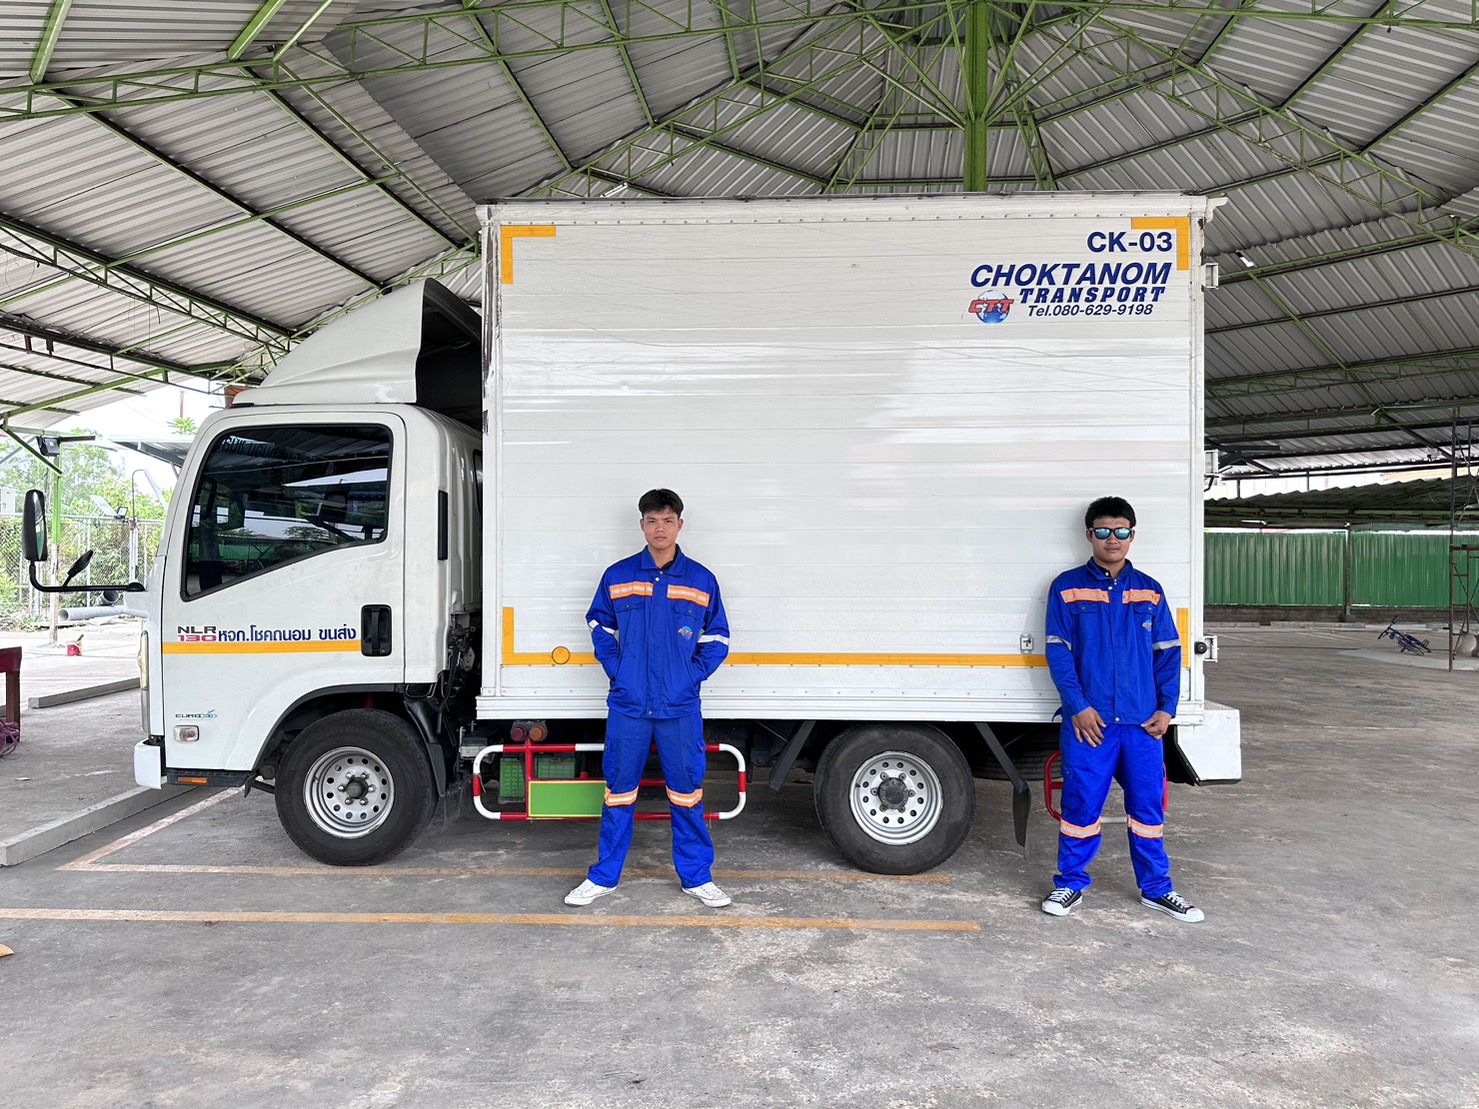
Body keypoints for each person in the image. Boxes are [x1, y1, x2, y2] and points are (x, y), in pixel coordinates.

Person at [565, 489, 733, 909]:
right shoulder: (618, 576)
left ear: (680, 525)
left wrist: (690, 677)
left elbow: (717, 638)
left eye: (668, 520)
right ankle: (604, 876)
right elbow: (599, 626)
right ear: (642, 525)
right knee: (619, 793)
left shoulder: (701, 580)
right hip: (630, 706)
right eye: (653, 521)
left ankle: (697, 877)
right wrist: (618, 671)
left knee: (687, 793)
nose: (660, 528)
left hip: (679, 707)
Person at [1039, 496, 1204, 923]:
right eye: (1103, 531)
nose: (1112, 539)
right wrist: (1078, 707)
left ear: (1132, 535)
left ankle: (1157, 889)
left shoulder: (1149, 589)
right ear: (1089, 535)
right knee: (1081, 807)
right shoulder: (1067, 587)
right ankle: (1070, 884)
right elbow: (1058, 652)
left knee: (1148, 810)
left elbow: (1168, 652)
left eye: (1121, 531)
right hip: (1090, 725)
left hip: (1141, 724)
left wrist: (1167, 709)